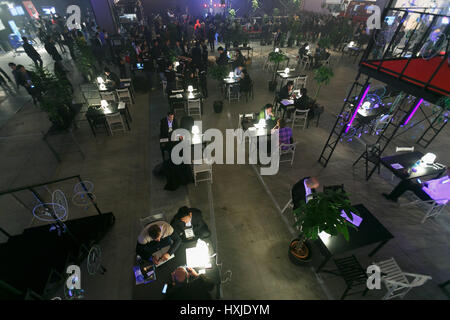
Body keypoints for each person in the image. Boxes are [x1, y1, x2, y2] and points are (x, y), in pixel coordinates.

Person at [383, 168, 450, 203]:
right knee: (409, 182)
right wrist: (425, 183)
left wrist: (423, 187)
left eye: (448, 172)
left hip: (431, 198)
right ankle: (394, 196)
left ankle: (393, 197)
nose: (447, 173)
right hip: (429, 189)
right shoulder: (448, 177)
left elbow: (436, 197)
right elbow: (435, 181)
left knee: (406, 183)